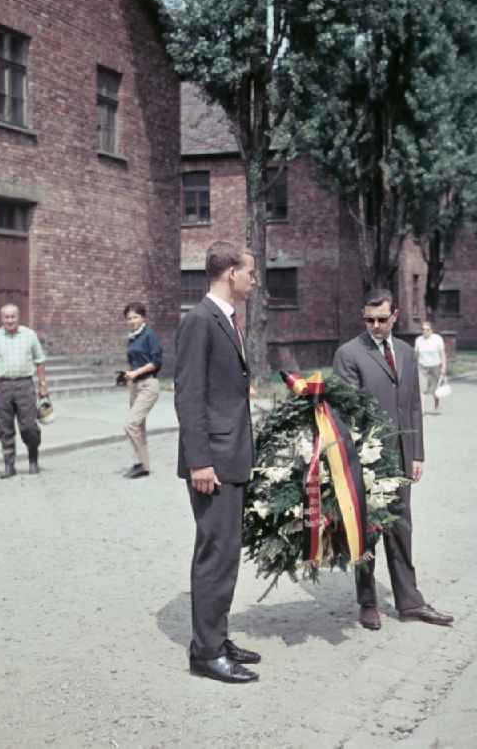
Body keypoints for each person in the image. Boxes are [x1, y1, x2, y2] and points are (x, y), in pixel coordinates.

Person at [332, 288, 454, 631]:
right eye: (369, 319)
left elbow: (413, 404)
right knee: (367, 532)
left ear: (395, 316)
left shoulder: (404, 351)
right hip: (367, 461)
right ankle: (367, 602)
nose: (375, 326)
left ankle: (410, 602)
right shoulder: (349, 354)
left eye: (382, 320)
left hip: (401, 459)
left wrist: (416, 454)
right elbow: (347, 410)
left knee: (401, 528)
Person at [174, 241, 261, 684]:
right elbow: (188, 396)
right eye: (249, 271)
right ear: (230, 272)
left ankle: (215, 635)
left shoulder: (225, 320)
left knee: (226, 552)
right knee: (215, 553)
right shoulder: (199, 321)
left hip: (230, 456)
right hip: (213, 463)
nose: (254, 278)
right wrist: (200, 462)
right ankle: (206, 654)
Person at [0, 304, 49, 478]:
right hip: (1, 387)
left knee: (29, 427)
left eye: (13, 317)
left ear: (18, 317)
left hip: (24, 386)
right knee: (5, 429)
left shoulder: (29, 335)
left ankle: (33, 460)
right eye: (6, 317)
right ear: (1, 318)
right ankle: (9, 466)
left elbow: (39, 361)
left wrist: (42, 385)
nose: (10, 320)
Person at [121, 302, 162, 479]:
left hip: (148, 385)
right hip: (135, 386)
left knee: (131, 424)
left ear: (143, 317)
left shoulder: (148, 335)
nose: (132, 321)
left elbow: (156, 362)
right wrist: (128, 375)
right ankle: (143, 466)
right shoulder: (133, 337)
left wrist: (136, 372)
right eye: (128, 318)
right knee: (139, 427)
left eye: (135, 317)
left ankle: (140, 463)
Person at [414, 321, 447, 412]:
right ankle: (422, 409)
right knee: (422, 388)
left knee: (435, 389)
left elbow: (442, 354)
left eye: (427, 330)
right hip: (422, 367)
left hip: (435, 366)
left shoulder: (437, 339)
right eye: (423, 329)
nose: (425, 331)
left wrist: (443, 367)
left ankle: (436, 402)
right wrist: (414, 367)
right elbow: (416, 355)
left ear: (431, 330)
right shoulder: (418, 340)